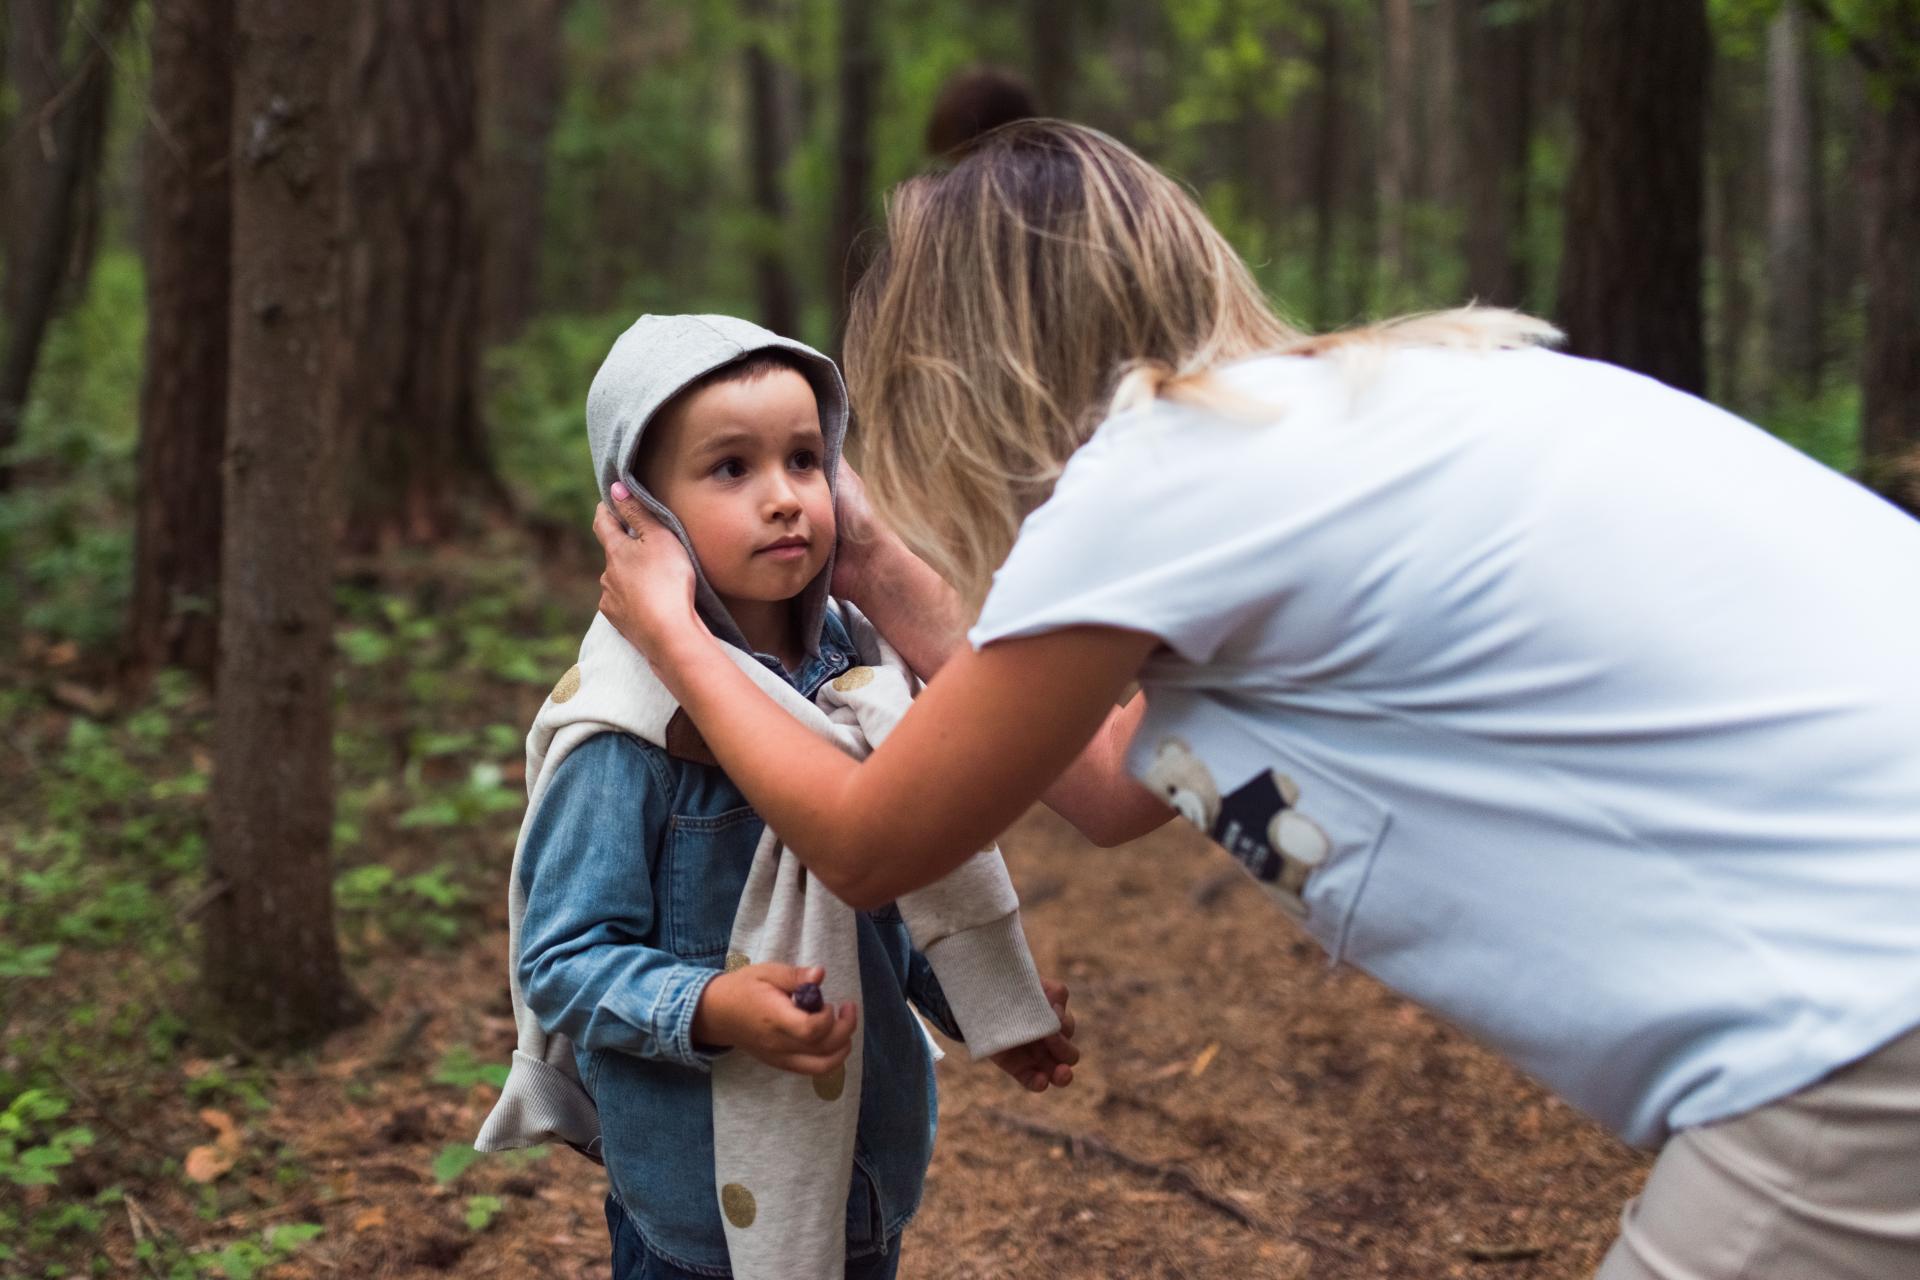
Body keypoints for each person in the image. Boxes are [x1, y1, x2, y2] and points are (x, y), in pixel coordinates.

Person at [589, 123, 1920, 1279]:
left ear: (962, 363)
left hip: (1861, 1026)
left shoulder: (1158, 482)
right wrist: (876, 557)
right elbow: (1119, 786)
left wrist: (669, 628)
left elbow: (875, 839)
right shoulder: (1350, 413)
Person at [482, 315, 1077, 1280]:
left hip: (867, 1165)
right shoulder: (631, 730)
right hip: (701, 1206)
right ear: (642, 516)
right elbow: (561, 958)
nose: (784, 499)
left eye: (805, 460)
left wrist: (979, 1001)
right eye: (731, 469)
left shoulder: (864, 671)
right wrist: (710, 1005)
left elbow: (891, 882)